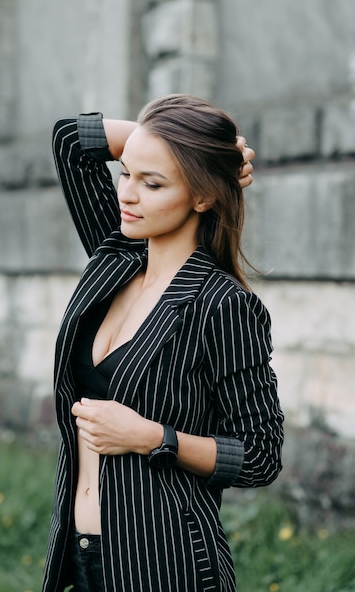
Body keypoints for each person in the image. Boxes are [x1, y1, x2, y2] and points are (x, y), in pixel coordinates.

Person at [42, 94, 284, 592]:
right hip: (79, 557)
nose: (126, 195)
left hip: (165, 563)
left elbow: (261, 454)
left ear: (202, 197)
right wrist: (178, 146)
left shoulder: (221, 305)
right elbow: (70, 140)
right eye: (126, 173)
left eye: (152, 183)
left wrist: (153, 437)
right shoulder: (116, 255)